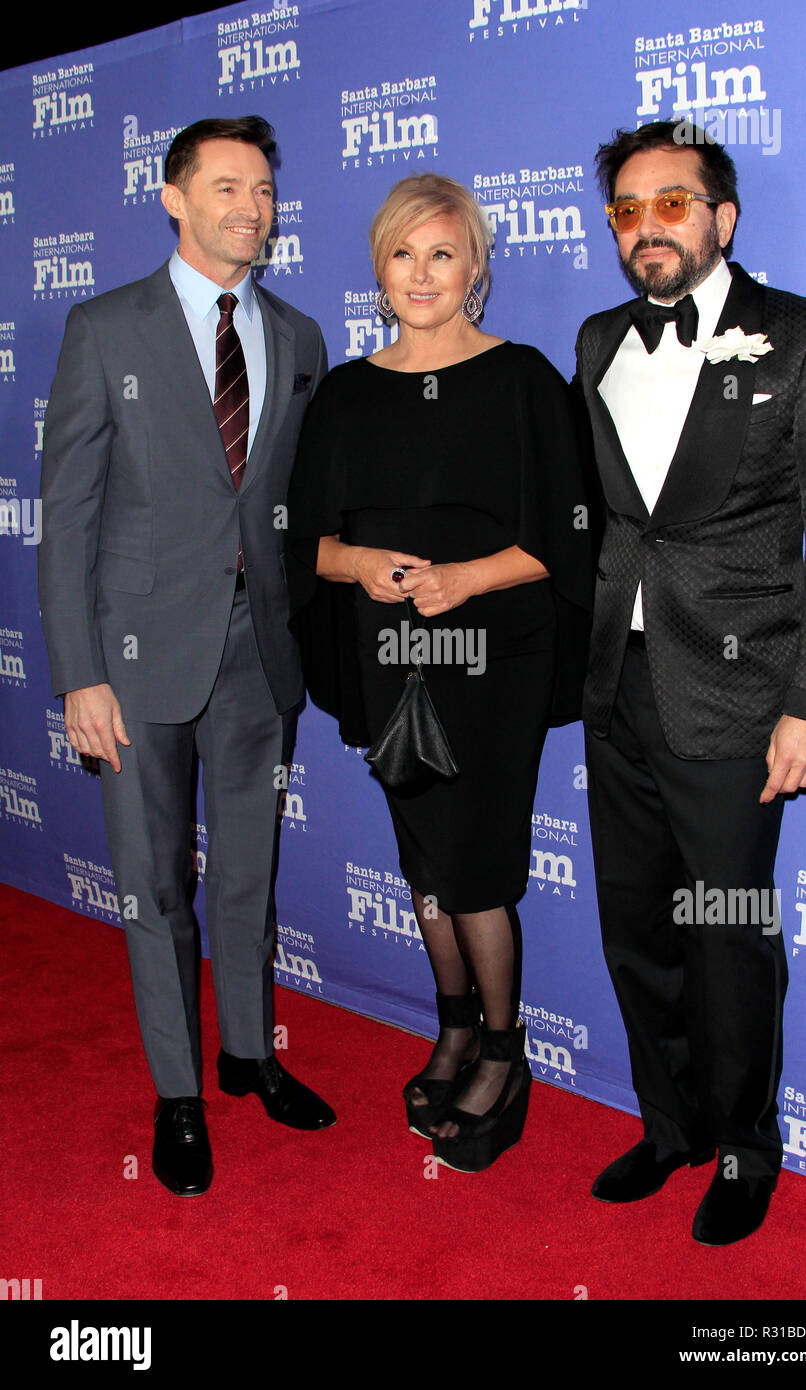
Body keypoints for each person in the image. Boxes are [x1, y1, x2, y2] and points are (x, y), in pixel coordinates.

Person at [573, 120, 806, 1244]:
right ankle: (670, 1121)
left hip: (744, 696)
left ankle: (747, 1146)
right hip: (620, 687)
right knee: (636, 923)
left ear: (721, 218)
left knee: (728, 934)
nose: (648, 227)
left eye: (672, 204)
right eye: (628, 210)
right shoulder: (599, 338)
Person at [38, 116, 336, 1198]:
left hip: (259, 656)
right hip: (133, 659)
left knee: (249, 872)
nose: (248, 206)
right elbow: (65, 513)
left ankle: (250, 1056)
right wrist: (78, 672)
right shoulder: (104, 326)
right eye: (224, 186)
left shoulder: (299, 336)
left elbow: (289, 508)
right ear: (173, 198)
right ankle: (178, 1093)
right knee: (154, 884)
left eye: (261, 187)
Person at [287, 173, 594, 1173]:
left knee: (476, 865)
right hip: (390, 661)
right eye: (402, 253)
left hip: (494, 658)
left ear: (477, 267)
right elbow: (307, 543)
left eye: (443, 252)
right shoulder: (346, 392)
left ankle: (506, 1056)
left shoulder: (524, 381)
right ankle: (455, 1025)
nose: (422, 273)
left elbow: (566, 540)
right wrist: (360, 564)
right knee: (425, 862)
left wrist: (462, 577)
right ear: (379, 270)